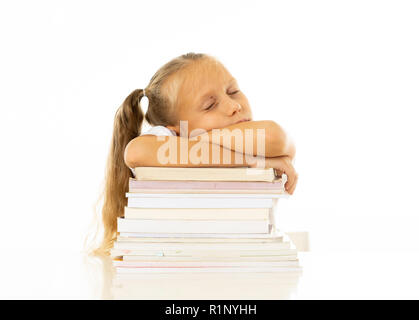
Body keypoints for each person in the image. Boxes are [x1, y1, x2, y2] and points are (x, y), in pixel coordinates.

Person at [90, 52, 298, 255]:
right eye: (209, 105)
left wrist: (194, 140)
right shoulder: (167, 137)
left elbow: (276, 138)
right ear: (175, 129)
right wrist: (253, 160)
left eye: (233, 91)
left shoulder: (240, 136)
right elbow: (135, 151)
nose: (234, 106)